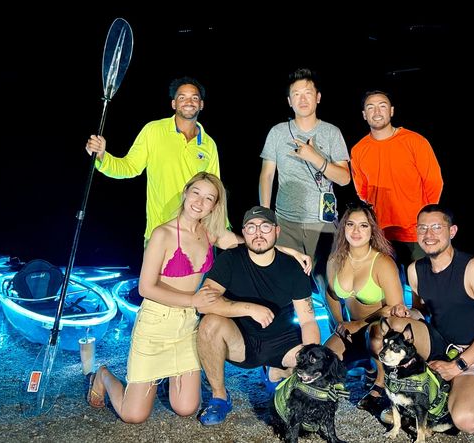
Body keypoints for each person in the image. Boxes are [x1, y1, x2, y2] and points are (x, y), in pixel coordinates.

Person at [85, 174, 310, 423]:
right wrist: (194, 300)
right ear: (185, 193)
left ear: (214, 205)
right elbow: (145, 288)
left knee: (186, 407)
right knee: (133, 415)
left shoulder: (210, 232)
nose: (200, 202)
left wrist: (290, 252)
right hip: (157, 322)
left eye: (208, 198)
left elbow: (254, 242)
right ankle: (103, 375)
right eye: (196, 193)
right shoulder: (163, 234)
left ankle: (166, 382)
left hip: (188, 325)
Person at [195, 205, 321, 426]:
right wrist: (248, 308)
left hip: (285, 342)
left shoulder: (292, 267)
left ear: (277, 231)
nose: (258, 233)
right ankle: (219, 397)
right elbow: (203, 302)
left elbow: (308, 320)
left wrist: (312, 364)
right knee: (209, 324)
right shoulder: (230, 260)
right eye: (251, 228)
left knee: (306, 383)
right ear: (243, 233)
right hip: (243, 342)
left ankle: (277, 372)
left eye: (265, 226)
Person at [385, 204, 474, 434]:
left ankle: (473, 398)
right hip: (437, 344)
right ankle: (393, 391)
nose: (428, 235)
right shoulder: (415, 270)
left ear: (452, 231)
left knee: (466, 420)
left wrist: (457, 366)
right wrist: (408, 313)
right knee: (396, 325)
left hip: (473, 351)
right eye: (422, 228)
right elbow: (422, 311)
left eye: (436, 227)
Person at [85, 76, 221, 248]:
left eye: (194, 98)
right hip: (159, 234)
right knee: (153, 276)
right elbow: (129, 167)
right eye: (182, 97)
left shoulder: (209, 145)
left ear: (201, 104)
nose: (189, 102)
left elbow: (216, 192)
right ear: (174, 104)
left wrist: (218, 230)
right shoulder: (153, 131)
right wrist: (101, 157)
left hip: (196, 236)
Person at [259, 67, 351, 307]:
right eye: (296, 94)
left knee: (329, 283)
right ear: (289, 101)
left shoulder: (332, 133)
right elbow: (267, 175)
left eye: (308, 93)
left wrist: (314, 157)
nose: (302, 99)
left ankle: (339, 334)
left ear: (318, 97)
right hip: (285, 221)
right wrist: (265, 215)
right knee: (286, 282)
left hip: (323, 222)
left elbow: (344, 179)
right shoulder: (277, 132)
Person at [324, 202, 408, 415]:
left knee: (375, 333)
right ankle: (369, 366)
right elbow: (331, 293)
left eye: (363, 225)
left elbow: (396, 310)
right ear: (343, 228)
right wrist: (337, 322)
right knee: (325, 361)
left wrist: (358, 324)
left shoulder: (383, 263)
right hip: (352, 330)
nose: (356, 231)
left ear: (372, 230)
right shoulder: (334, 260)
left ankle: (380, 383)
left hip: (378, 331)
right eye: (350, 224)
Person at [350, 90, 443, 280]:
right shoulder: (359, 149)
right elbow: (362, 190)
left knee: (423, 287)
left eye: (382, 106)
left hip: (415, 233)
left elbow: (434, 182)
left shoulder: (415, 141)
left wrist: (426, 222)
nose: (377, 111)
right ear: (364, 115)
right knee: (389, 288)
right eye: (370, 107)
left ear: (391, 111)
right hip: (381, 234)